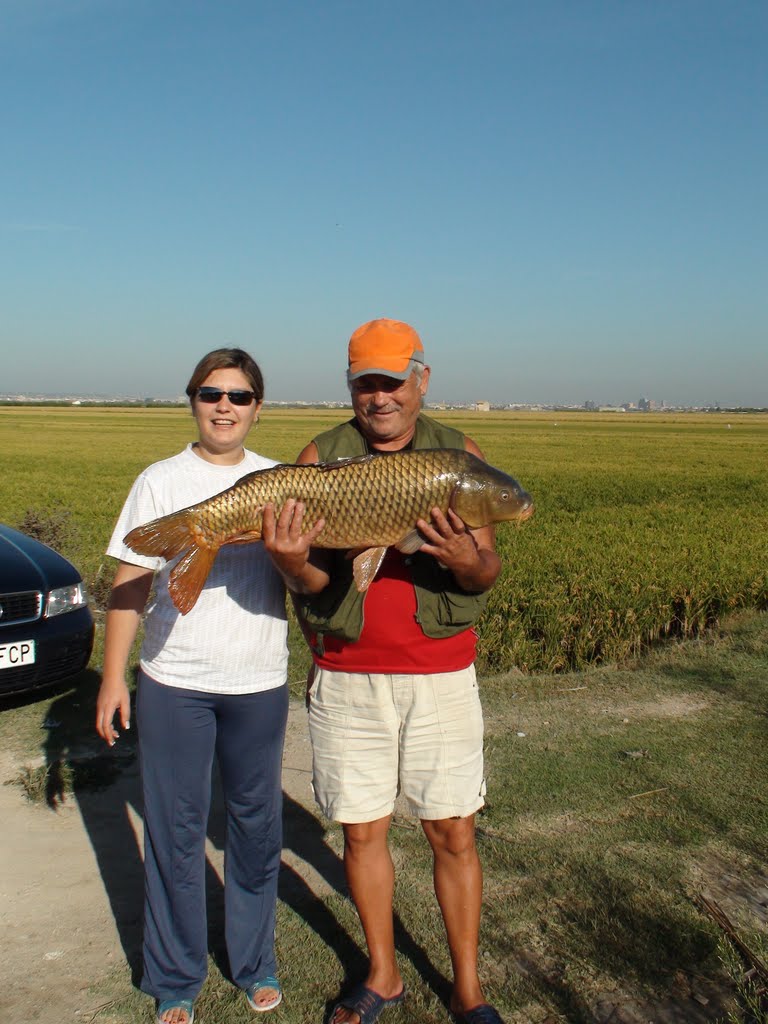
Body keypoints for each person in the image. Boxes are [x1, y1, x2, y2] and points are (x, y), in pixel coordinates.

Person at [263, 318, 507, 1024]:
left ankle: (468, 990)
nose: (380, 398)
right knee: (361, 831)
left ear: (421, 380)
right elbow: (313, 583)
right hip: (345, 673)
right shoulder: (323, 455)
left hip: (440, 673)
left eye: (393, 382)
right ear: (352, 387)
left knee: (452, 831)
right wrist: (288, 560)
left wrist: (466, 561)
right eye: (365, 383)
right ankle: (383, 973)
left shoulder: (458, 454)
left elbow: (486, 569)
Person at [95, 349, 288, 1024]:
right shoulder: (159, 481)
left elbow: (308, 579)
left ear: (257, 406)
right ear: (193, 401)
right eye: (211, 393)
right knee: (175, 831)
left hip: (259, 679)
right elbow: (130, 581)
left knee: (256, 828)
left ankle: (253, 961)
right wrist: (112, 678)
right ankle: (175, 976)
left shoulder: (282, 480)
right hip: (174, 679)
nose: (224, 406)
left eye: (238, 395)